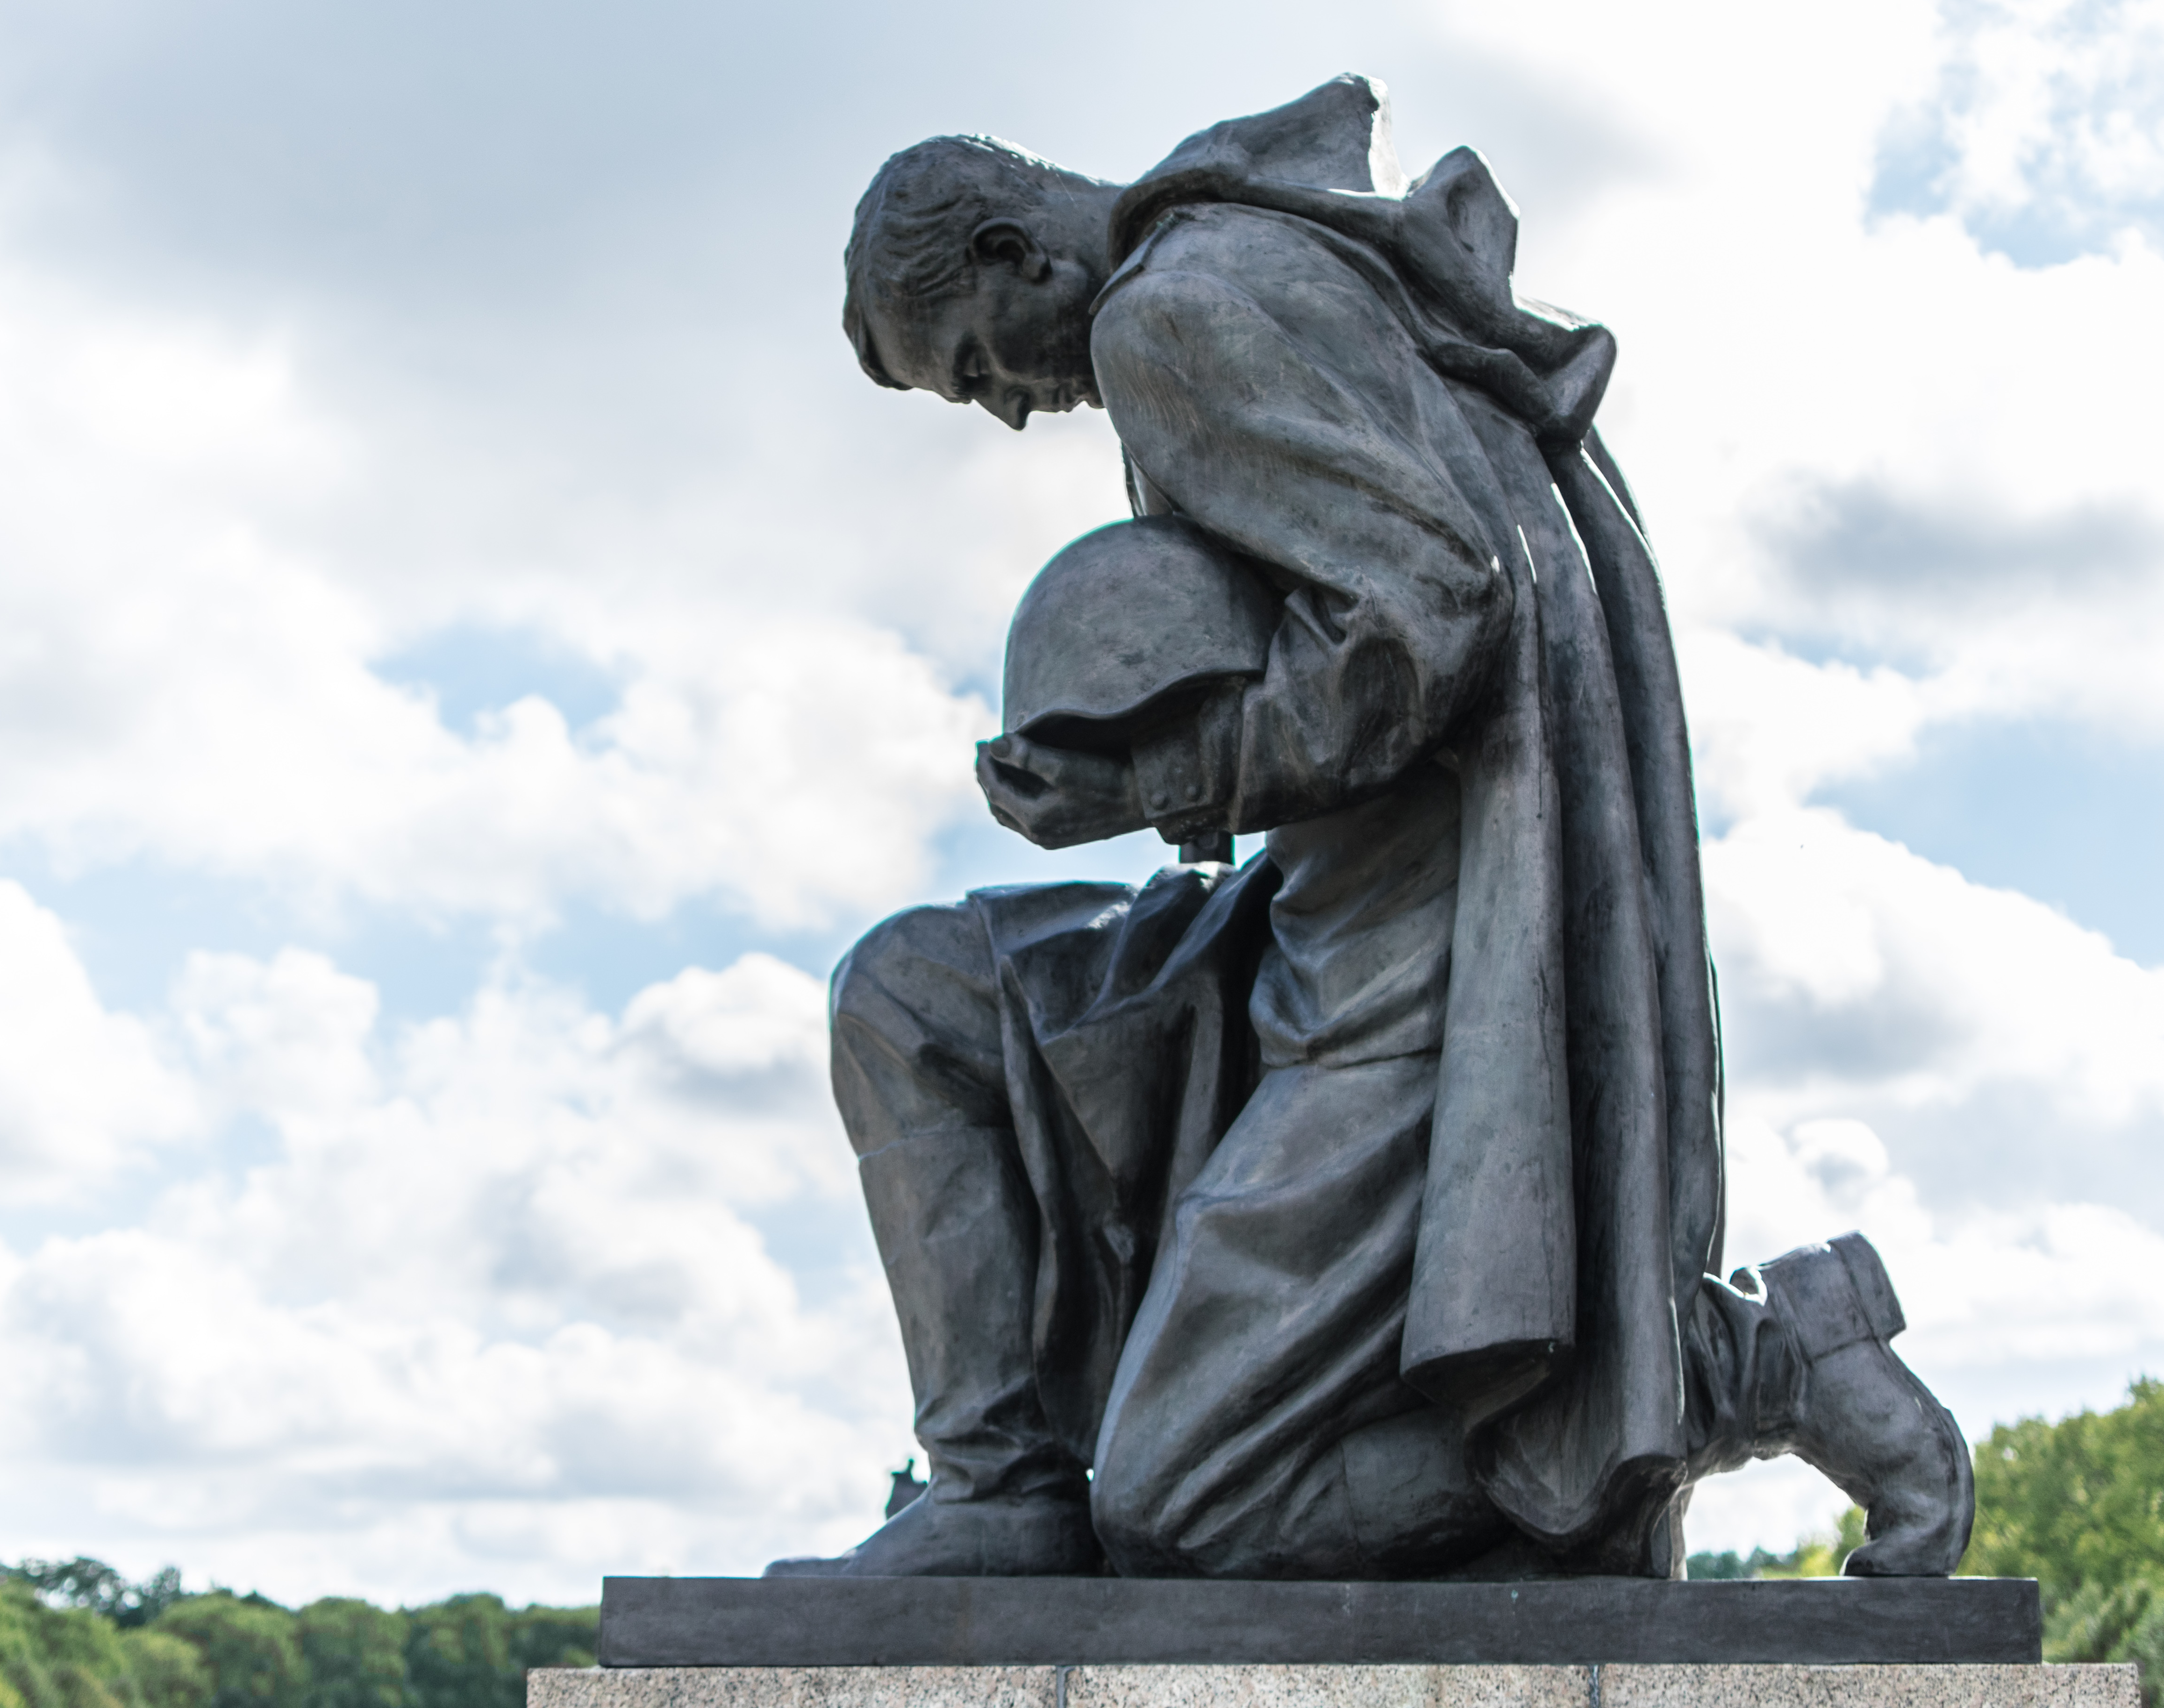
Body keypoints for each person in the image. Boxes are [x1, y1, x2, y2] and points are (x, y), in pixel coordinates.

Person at [768, 77, 1974, 1582]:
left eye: (974, 370)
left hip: (1425, 970)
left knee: (1181, 1508)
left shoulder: (1173, 314)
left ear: (1020, 253)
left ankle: (1739, 1370)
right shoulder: (1253, 258)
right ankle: (998, 1481)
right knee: (919, 994)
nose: (1006, 406)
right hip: (1327, 901)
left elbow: (1423, 615)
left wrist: (1149, 785)